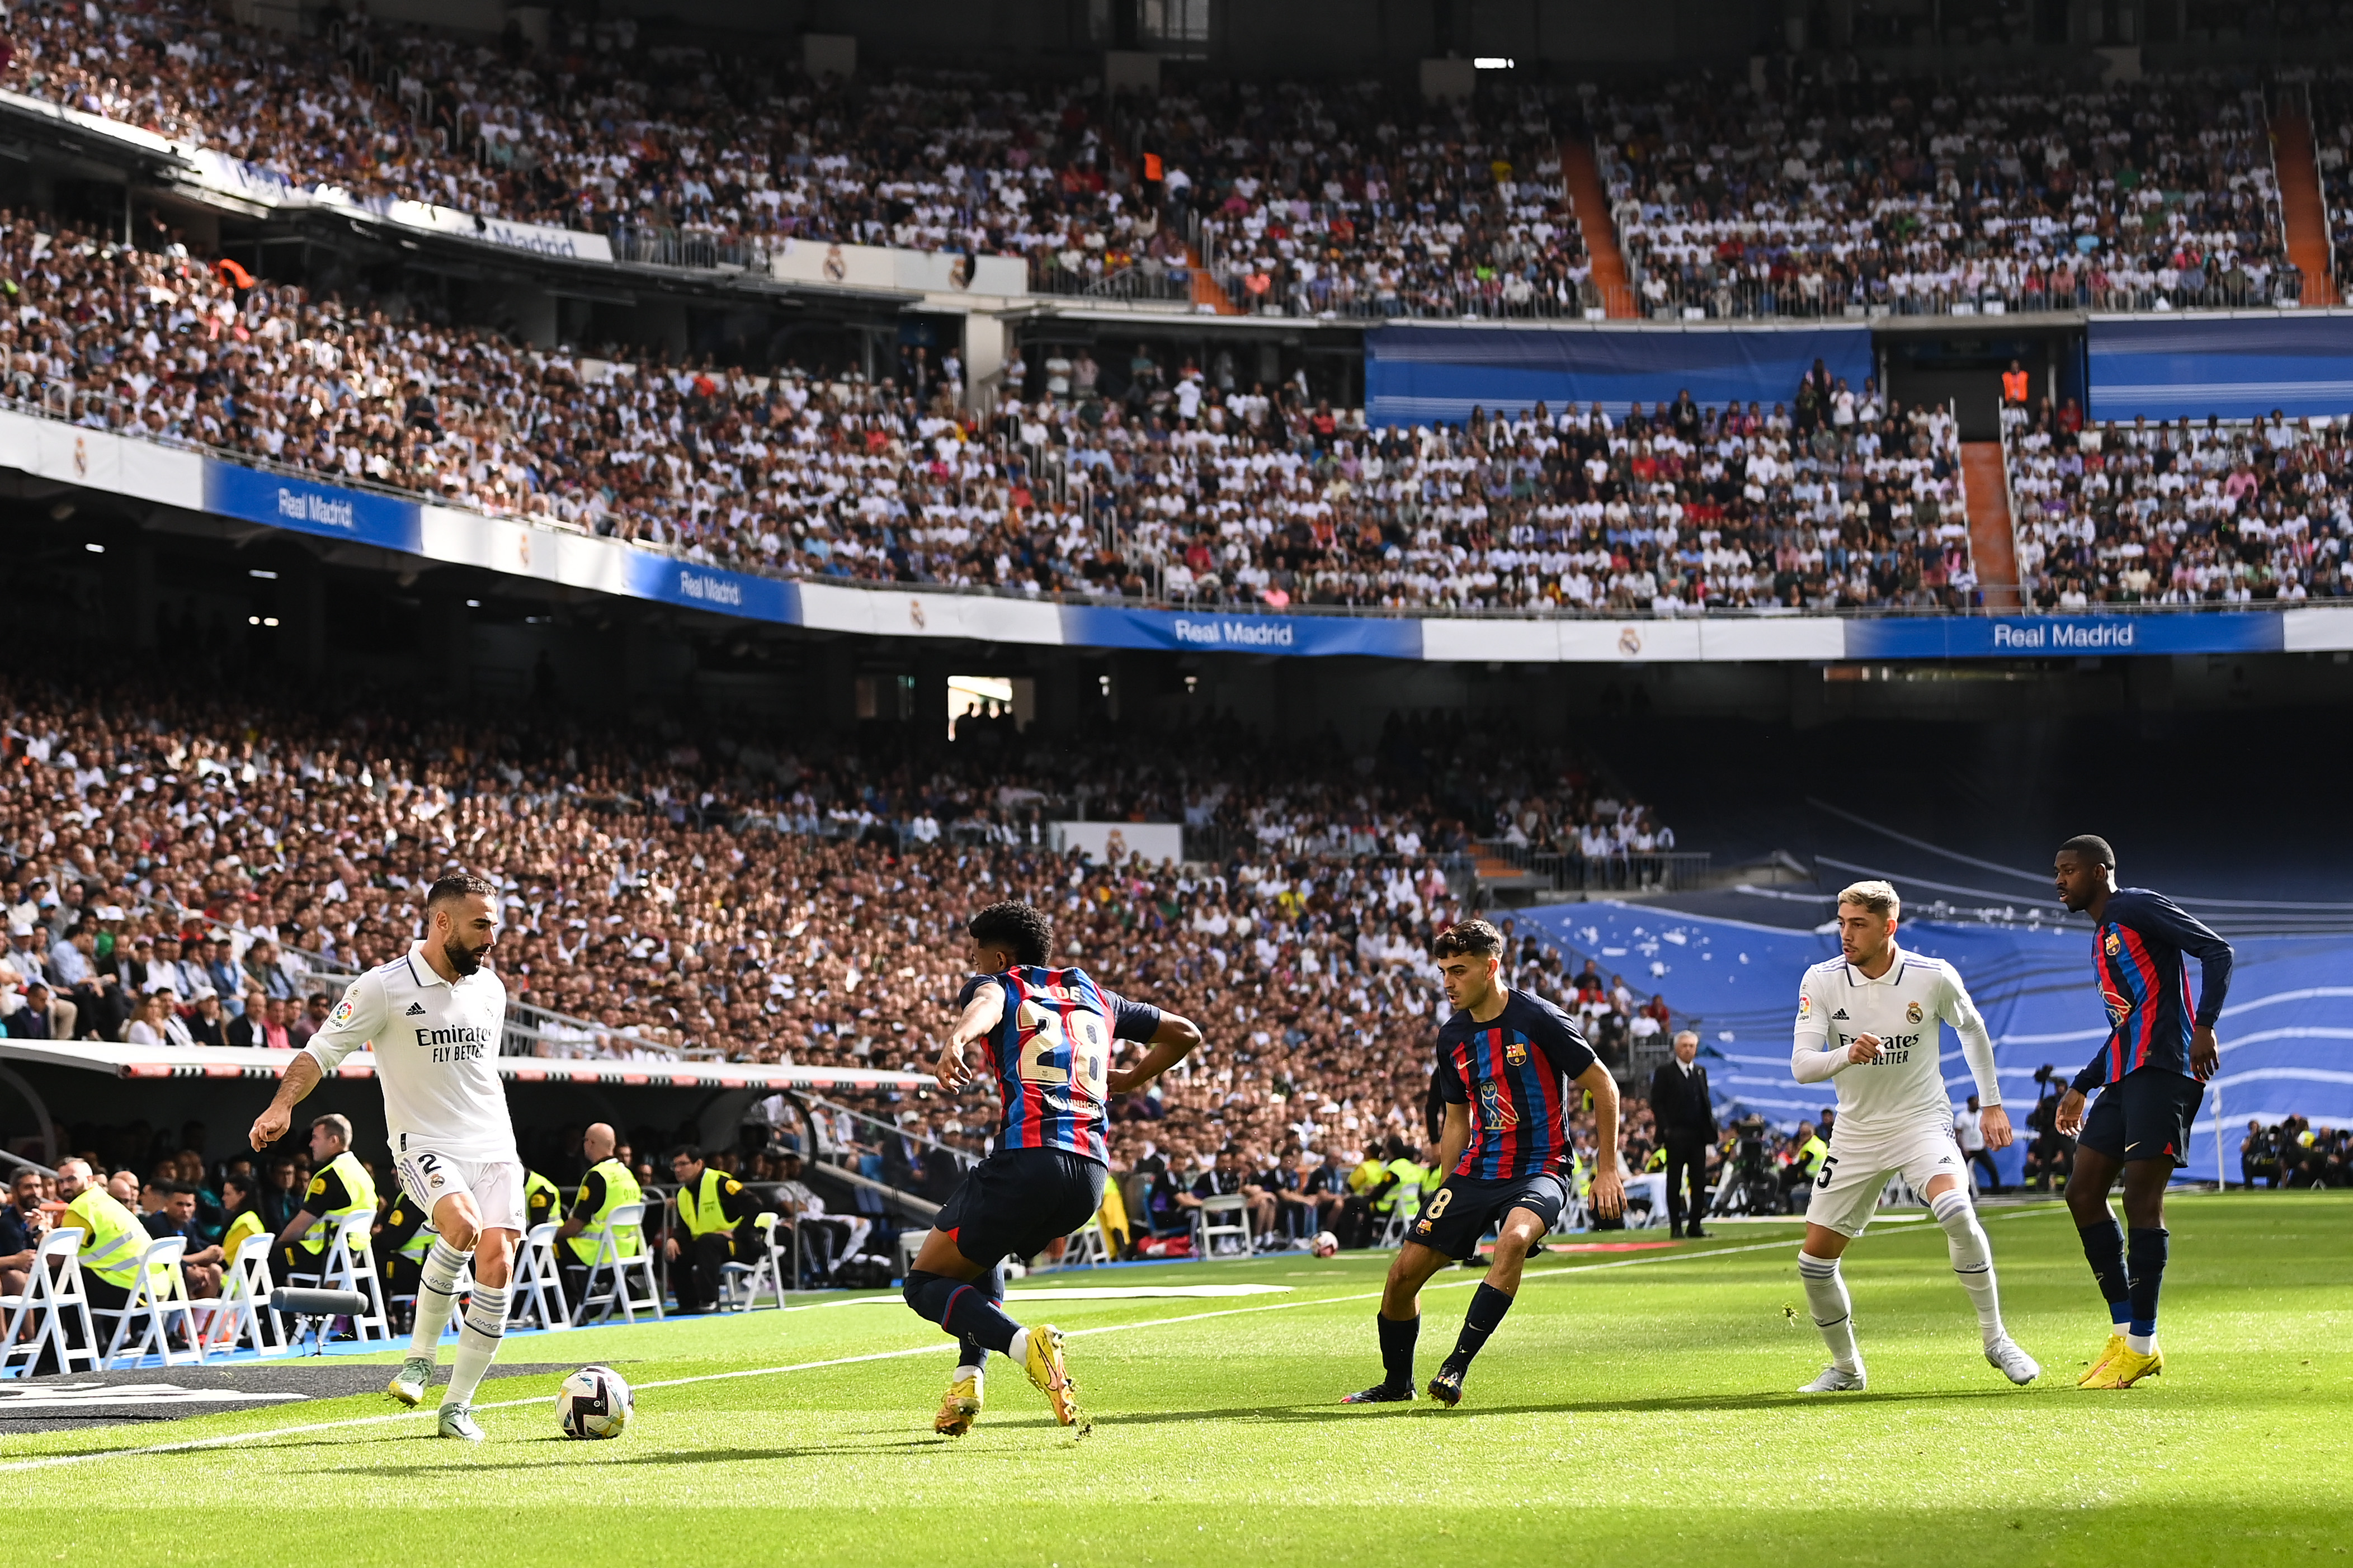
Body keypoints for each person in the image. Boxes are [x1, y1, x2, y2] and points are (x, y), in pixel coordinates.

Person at [248, 872, 522, 1442]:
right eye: (480, 924)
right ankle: (420, 1357)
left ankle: (458, 1406)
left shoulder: (491, 989)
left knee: (498, 1263)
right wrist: (281, 1105)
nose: (491, 937)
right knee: (463, 1226)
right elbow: (319, 1050)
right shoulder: (382, 987)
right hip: (424, 1143)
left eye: (495, 924)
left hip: (494, 1145)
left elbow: (476, 1076)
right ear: (441, 921)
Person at [911, 900, 1201, 1437]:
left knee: (925, 1282)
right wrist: (1133, 1078)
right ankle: (967, 1378)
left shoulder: (1000, 983)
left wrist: (959, 1036)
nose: (973, 964)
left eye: (977, 954)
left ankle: (1027, 1348)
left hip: (1029, 1159)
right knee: (980, 1250)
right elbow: (1185, 1033)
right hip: (1090, 1176)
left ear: (998, 956)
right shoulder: (1098, 995)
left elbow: (989, 1001)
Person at [1341, 918, 1624, 1407]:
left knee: (1512, 1240)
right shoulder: (1451, 1037)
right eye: (1442, 972)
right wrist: (1447, 1191)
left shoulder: (1540, 1019)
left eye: (1458, 971)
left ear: (1491, 967)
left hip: (1542, 1164)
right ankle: (1395, 1384)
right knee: (1401, 1276)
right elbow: (1456, 1121)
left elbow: (1603, 1086)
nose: (1447, 983)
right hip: (1477, 1169)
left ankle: (1455, 1367)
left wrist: (1607, 1169)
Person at [1789, 882, 2039, 1393]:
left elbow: (1972, 1029)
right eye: (1841, 922)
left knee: (1956, 1211)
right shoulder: (1821, 979)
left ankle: (1997, 1341)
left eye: (1857, 924)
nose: (1845, 934)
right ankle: (1845, 1369)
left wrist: (1990, 1101)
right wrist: (1846, 1055)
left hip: (1920, 1121)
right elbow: (1801, 1066)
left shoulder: (1933, 976)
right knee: (1813, 1265)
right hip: (1855, 1131)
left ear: (1888, 927)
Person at [2050, 835, 2233, 1391]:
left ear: (2101, 871)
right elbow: (2126, 1023)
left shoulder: (2134, 906)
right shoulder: (2103, 935)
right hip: (2127, 1075)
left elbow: (2216, 950)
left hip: (2165, 1069)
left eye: (2069, 869)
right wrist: (2082, 1083)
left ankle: (2143, 1344)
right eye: (2056, 871)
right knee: (2081, 1191)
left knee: (2139, 1199)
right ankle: (2124, 1328)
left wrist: (2203, 1025)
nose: (2059, 879)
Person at [272, 1114, 377, 1285]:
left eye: (315, 1138)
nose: (311, 1144)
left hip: (324, 1255)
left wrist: (279, 1246)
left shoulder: (331, 1175)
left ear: (333, 1140)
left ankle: (281, 1313)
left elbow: (300, 1227)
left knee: (262, 1258)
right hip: (353, 1255)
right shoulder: (361, 1173)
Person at [665, 1144, 762, 1312]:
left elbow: (755, 1204)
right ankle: (688, 1305)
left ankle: (710, 1301)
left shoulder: (721, 1182)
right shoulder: (683, 1195)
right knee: (675, 1252)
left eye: (683, 1164)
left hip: (741, 1245)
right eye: (675, 1165)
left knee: (708, 1242)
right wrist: (674, 1239)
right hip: (708, 1247)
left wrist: (736, 1233)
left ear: (699, 1164)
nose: (678, 1170)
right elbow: (684, 1227)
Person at [556, 1121, 644, 1305]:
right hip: (627, 1250)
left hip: (596, 1251)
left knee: (546, 1250)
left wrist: (554, 1233)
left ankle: (567, 1310)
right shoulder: (628, 1174)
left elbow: (576, 1225)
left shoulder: (597, 1176)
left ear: (591, 1143)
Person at [1649, 1029, 1717, 1238]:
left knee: (1698, 1180)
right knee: (1674, 1181)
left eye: (1692, 1046)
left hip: (1697, 1136)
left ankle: (1695, 1224)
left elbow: (1704, 1102)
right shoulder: (1665, 1072)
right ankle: (1676, 1226)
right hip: (1676, 1135)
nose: (1688, 1050)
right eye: (1685, 1046)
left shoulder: (1700, 1072)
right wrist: (1666, 1129)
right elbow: (1656, 1102)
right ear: (1677, 1048)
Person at [1956, 1094, 2002, 1193]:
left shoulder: (1981, 1115)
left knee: (1992, 1169)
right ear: (1969, 1104)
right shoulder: (1962, 1117)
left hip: (1980, 1148)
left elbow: (1987, 1129)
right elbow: (1957, 1135)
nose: (1977, 1105)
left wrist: (1986, 1142)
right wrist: (1963, 1149)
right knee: (1963, 1172)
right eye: (1975, 1103)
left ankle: (1996, 1191)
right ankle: (1965, 1192)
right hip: (1968, 1149)